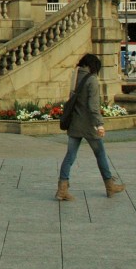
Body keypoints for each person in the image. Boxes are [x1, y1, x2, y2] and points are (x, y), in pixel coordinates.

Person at [56, 53, 125, 201]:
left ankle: (62, 188)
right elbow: (93, 107)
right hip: (88, 125)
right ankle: (109, 185)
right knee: (100, 154)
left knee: (70, 156)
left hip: (74, 123)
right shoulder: (92, 80)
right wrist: (99, 125)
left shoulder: (75, 76)